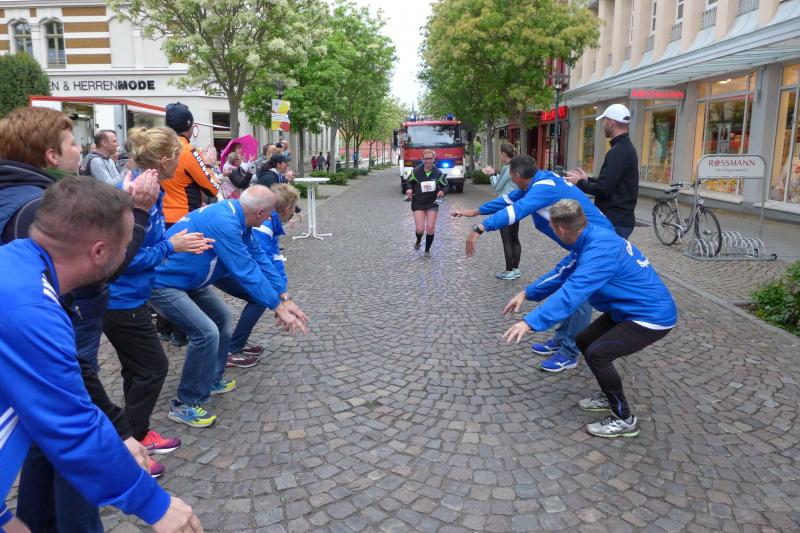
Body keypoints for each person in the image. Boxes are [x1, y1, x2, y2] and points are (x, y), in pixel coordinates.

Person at [0, 175, 202, 533]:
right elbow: (71, 425)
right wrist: (154, 505)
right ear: (99, 252)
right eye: (127, 244)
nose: (129, 253)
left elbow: (70, 374)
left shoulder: (21, 267)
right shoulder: (30, 309)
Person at [502, 199, 677, 438]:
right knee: (584, 340)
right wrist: (527, 293)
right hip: (627, 309)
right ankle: (608, 395)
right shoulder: (589, 237)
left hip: (650, 316)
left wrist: (529, 322)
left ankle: (624, 419)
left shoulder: (600, 251)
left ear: (561, 230)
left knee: (598, 354)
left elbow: (572, 292)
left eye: (552, 227)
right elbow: (563, 272)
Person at [150, 185, 309, 428]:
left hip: (190, 281)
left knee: (223, 317)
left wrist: (284, 297)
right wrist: (277, 307)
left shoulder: (239, 217)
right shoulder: (225, 221)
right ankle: (185, 403)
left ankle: (211, 379)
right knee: (205, 332)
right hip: (164, 283)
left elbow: (260, 258)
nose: (270, 219)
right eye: (270, 214)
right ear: (260, 212)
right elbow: (245, 270)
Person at [103, 127, 213, 477]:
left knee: (136, 369)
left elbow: (147, 241)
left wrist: (175, 241)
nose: (181, 164)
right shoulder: (135, 194)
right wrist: (171, 247)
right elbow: (125, 259)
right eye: (178, 158)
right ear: (164, 160)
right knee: (154, 368)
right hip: (121, 301)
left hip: (130, 296)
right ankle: (130, 447)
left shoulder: (150, 188)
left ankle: (138, 433)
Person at [451, 155, 614, 373]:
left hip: (596, 244)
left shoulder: (542, 188)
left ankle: (569, 352)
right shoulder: (536, 183)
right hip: (584, 243)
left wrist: (480, 228)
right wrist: (475, 212)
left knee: (578, 297)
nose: (511, 179)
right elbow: (508, 200)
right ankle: (561, 340)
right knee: (569, 287)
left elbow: (516, 211)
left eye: (511, 175)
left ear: (517, 175)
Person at [158, 102, 220, 346]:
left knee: (164, 272)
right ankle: (181, 331)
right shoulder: (187, 150)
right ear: (191, 126)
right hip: (185, 219)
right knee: (184, 275)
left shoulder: (158, 147)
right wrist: (210, 164)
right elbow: (212, 186)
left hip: (160, 218)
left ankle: (163, 328)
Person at [223, 183, 299, 368]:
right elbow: (262, 263)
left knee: (261, 297)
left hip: (228, 266)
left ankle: (236, 344)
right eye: (294, 209)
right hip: (224, 269)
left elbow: (270, 260)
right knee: (259, 299)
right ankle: (232, 350)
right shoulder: (264, 225)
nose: (294, 213)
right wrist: (278, 298)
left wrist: (282, 292)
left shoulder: (267, 221)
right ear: (287, 210)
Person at [564, 104, 639, 238]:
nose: (603, 124)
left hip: (614, 220)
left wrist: (580, 182)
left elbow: (604, 189)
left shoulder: (618, 151)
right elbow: (612, 182)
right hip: (618, 219)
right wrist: (588, 179)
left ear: (611, 122)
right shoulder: (624, 147)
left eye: (604, 120)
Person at [482, 142, 521, 280]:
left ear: (504, 154)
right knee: (515, 238)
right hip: (516, 206)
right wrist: (495, 174)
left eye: (500, 153)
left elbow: (497, 187)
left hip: (505, 207)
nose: (499, 155)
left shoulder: (507, 167)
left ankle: (509, 270)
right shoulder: (518, 165)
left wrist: (491, 174)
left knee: (506, 240)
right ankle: (515, 269)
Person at [405, 149, 447, 257]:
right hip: (418, 202)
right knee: (420, 229)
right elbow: (408, 181)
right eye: (426, 159)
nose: (428, 161)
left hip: (432, 202)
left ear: (434, 159)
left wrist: (442, 192)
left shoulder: (438, 173)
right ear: (422, 159)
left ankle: (427, 251)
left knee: (430, 227)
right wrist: (409, 189)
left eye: (430, 158)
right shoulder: (416, 171)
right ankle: (418, 241)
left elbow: (446, 185)